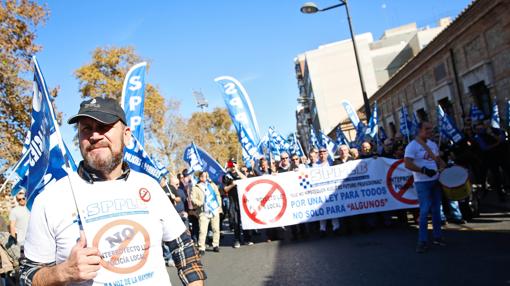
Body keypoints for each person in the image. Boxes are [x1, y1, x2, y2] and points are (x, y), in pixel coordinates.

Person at [20, 97, 206, 285]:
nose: (95, 136)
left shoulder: (149, 187)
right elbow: (28, 276)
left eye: (104, 126)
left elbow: (184, 249)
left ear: (126, 135)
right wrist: (62, 273)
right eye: (86, 129)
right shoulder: (50, 199)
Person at [404, 121, 446, 254]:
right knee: (424, 211)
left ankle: (437, 237)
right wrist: (423, 170)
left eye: (431, 129)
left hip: (435, 180)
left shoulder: (433, 144)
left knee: (436, 210)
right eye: (427, 129)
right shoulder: (412, 146)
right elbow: (407, 164)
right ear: (420, 130)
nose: (430, 131)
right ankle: (422, 241)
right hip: (422, 182)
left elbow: (438, 160)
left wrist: (445, 166)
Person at [222, 159, 253, 248]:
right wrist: (233, 184)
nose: (233, 166)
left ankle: (247, 239)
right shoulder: (227, 176)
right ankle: (237, 240)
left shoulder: (240, 173)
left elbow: (246, 180)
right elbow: (225, 189)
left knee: (245, 220)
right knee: (236, 221)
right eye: (231, 164)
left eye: (234, 163)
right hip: (233, 201)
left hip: (243, 201)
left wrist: (238, 170)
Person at [190, 172, 222, 256]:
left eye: (207, 176)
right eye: (204, 176)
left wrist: (219, 205)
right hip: (204, 211)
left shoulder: (212, 185)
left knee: (216, 229)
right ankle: (201, 247)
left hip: (214, 210)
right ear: (200, 177)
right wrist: (200, 203)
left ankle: (216, 244)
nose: (206, 177)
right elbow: (193, 198)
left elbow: (217, 194)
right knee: (203, 230)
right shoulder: (196, 187)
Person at [317, 147, 340, 237]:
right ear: (319, 155)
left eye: (324, 153)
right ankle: (322, 229)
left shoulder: (332, 163)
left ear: (327, 154)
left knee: (333, 209)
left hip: (331, 190)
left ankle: (336, 227)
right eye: (321, 153)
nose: (322, 155)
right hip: (320, 191)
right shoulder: (315, 165)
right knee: (322, 210)